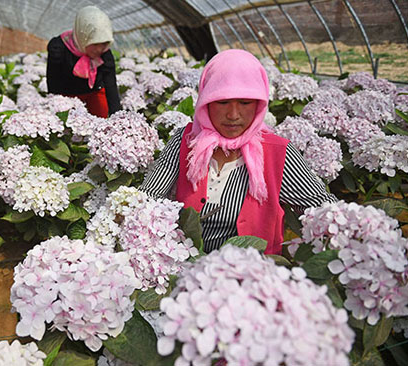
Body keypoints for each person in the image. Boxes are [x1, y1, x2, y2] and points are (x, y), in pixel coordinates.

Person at [140, 49, 336, 255]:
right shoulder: (185, 141)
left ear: (259, 104)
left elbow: (321, 208)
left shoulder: (279, 154)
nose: (233, 115)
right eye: (222, 102)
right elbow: (149, 197)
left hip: (251, 278)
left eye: (245, 103)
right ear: (205, 102)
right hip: (183, 270)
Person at [46, 5, 121, 118]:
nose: (99, 49)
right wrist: (55, 107)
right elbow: (53, 80)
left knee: (101, 121)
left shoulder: (105, 54)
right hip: (67, 94)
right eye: (95, 44)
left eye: (104, 44)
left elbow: (111, 85)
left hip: (95, 92)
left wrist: (118, 117)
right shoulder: (59, 48)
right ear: (83, 37)